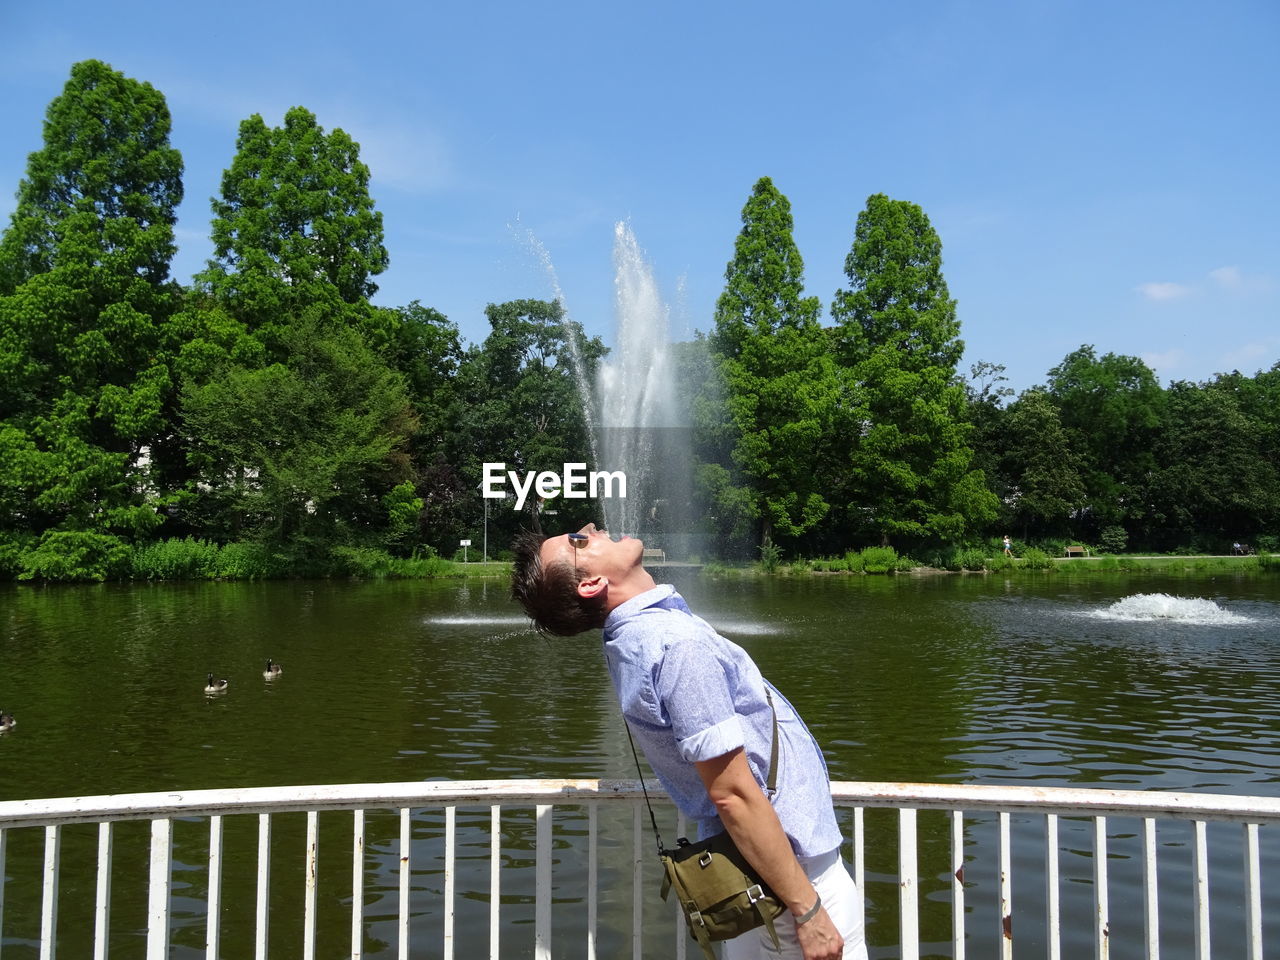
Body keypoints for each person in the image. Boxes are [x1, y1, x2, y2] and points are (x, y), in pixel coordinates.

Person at [512, 523, 867, 960]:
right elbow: (732, 794)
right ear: (591, 584)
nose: (589, 528)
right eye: (578, 542)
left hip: (754, 878)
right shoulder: (675, 645)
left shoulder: (634, 640)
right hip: (790, 883)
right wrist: (808, 910)